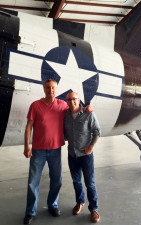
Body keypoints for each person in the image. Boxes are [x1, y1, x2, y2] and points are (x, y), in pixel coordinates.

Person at [23, 79, 92, 224]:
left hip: (55, 150)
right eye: (48, 88)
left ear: (56, 89)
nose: (51, 90)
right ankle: (30, 212)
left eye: (53, 88)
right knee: (32, 182)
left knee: (57, 180)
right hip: (38, 150)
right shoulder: (35, 105)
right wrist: (26, 146)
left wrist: (87, 108)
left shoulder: (62, 105)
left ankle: (52, 205)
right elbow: (29, 126)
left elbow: (75, 107)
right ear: (44, 89)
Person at [64, 91, 101, 223]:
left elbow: (97, 131)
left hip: (85, 156)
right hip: (72, 155)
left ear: (79, 100)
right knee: (76, 181)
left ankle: (94, 209)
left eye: (74, 99)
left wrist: (91, 146)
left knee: (90, 183)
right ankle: (80, 203)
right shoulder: (66, 114)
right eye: (69, 100)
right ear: (66, 101)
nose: (72, 102)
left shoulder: (88, 114)